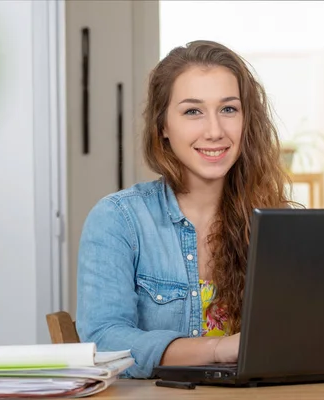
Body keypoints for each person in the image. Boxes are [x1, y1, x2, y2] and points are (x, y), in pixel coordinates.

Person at [76, 40, 296, 379]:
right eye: (193, 111)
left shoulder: (278, 222)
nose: (214, 131)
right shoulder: (118, 220)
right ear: (163, 126)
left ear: (246, 120)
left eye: (228, 109)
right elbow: (105, 341)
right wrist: (218, 349)